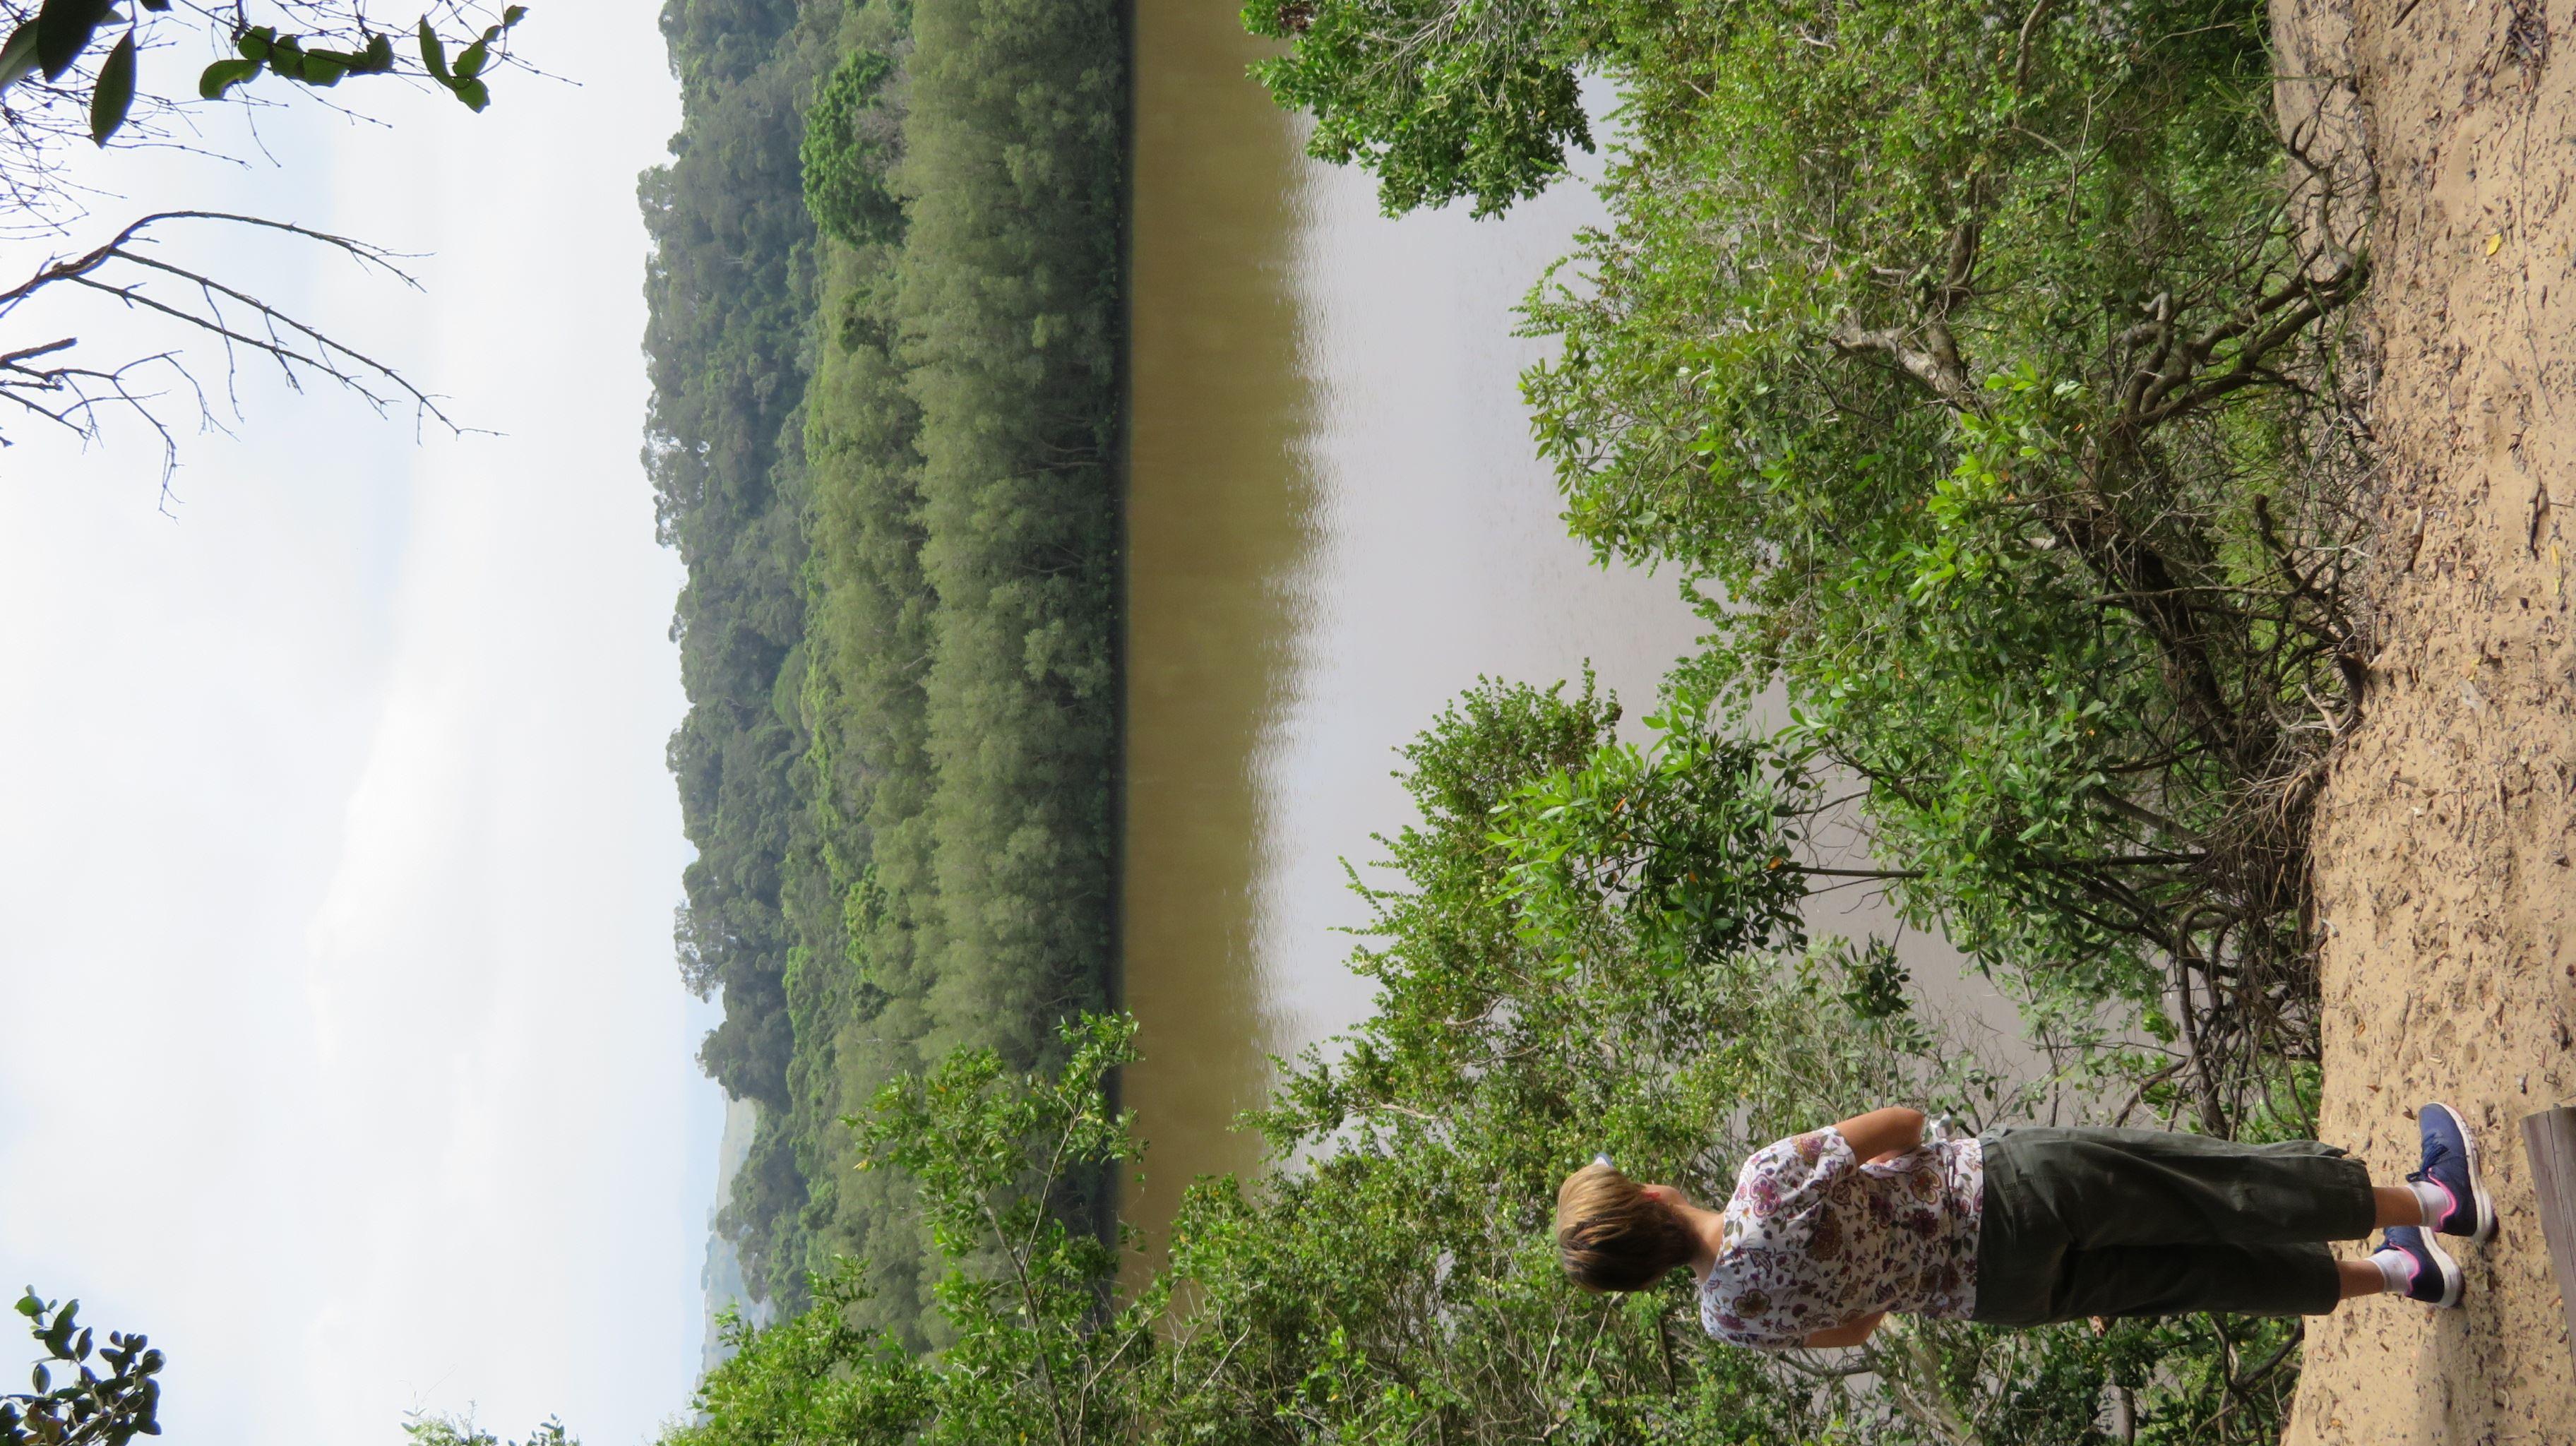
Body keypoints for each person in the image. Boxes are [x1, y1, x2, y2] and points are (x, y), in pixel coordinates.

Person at [1554, 1103, 2496, 1347]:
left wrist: (1888, 1271)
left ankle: (2403, 1275)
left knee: (2199, 1278)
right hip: (2008, 1189)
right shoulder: (1763, 1182)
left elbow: (1856, 1328)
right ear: (1650, 1199)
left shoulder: (1728, 1319)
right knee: (2208, 1189)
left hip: (1997, 1292)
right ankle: (2439, 1204)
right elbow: (1904, 1124)